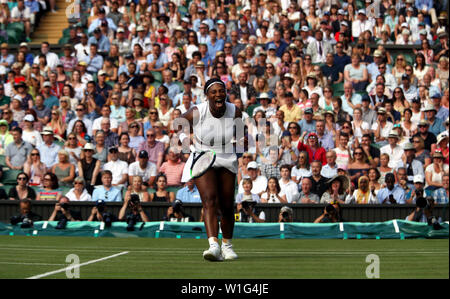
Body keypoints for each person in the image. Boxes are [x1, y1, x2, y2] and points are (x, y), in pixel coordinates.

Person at [178, 78, 241, 261]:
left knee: (228, 205)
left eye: (221, 91)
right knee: (210, 199)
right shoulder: (198, 111)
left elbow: (239, 131)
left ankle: (227, 246)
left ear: (225, 93)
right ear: (207, 96)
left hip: (227, 155)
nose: (218, 94)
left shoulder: (235, 111)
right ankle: (214, 246)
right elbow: (178, 123)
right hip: (202, 155)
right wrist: (185, 139)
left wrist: (240, 141)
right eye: (213, 92)